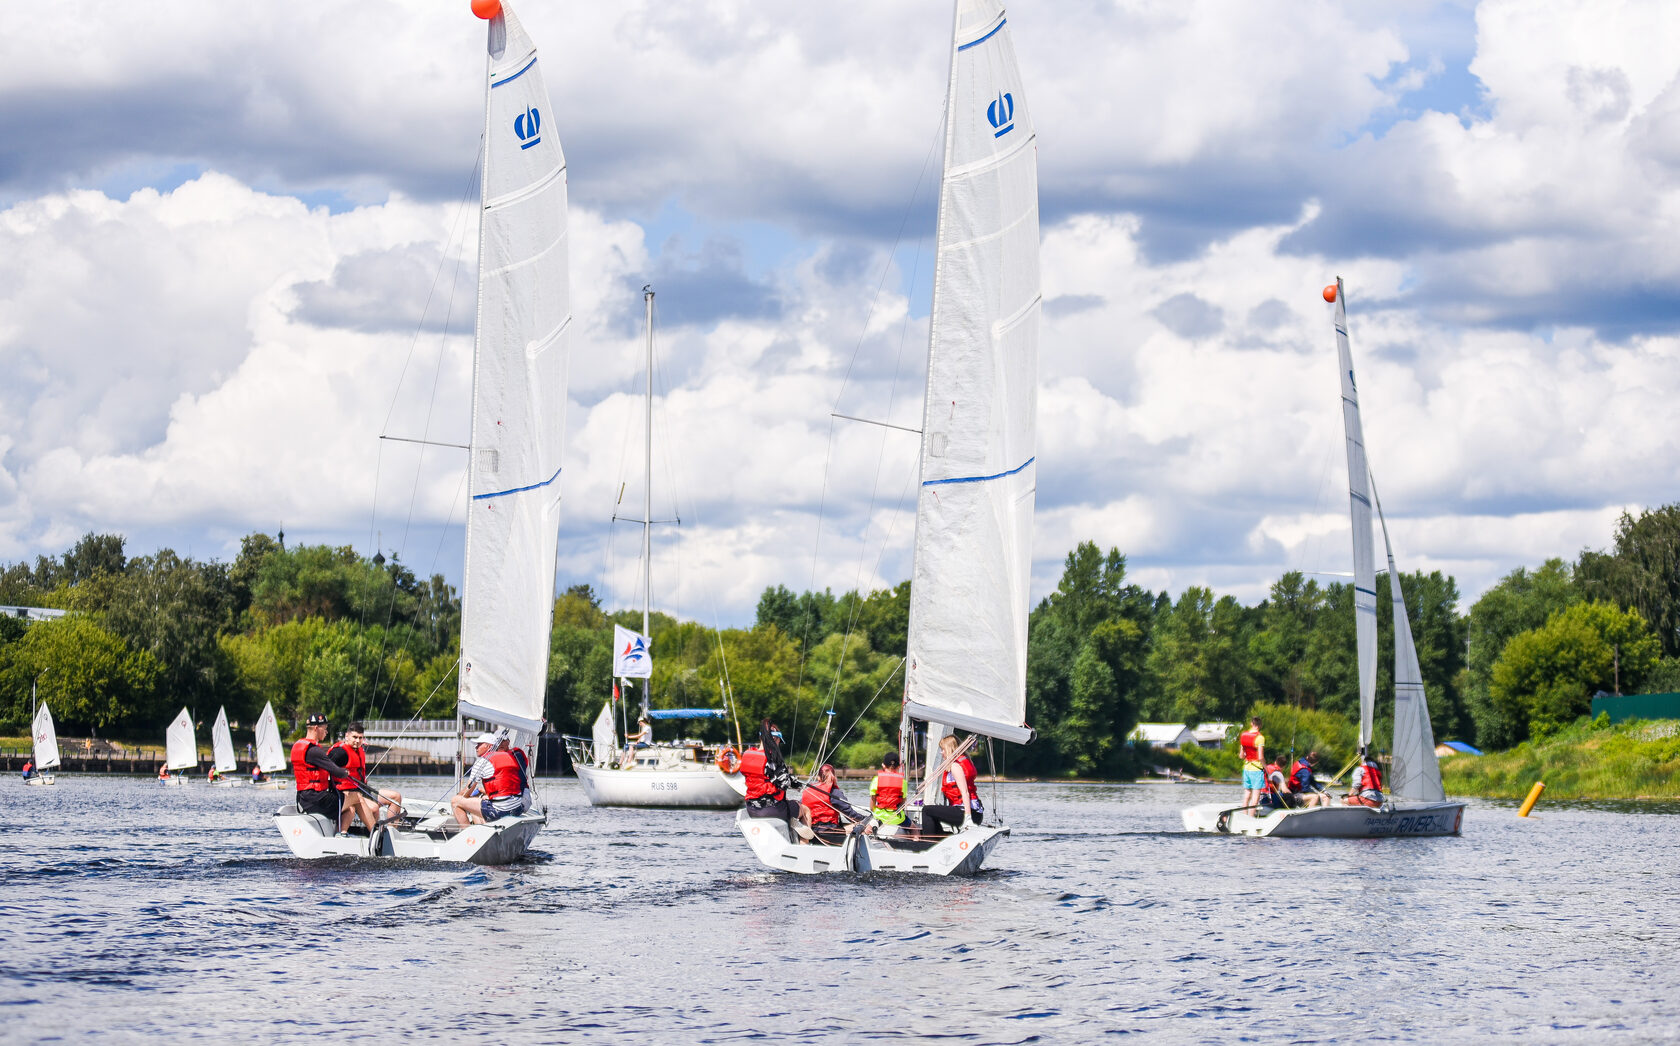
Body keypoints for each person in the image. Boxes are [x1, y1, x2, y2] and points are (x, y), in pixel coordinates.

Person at [739, 720, 814, 840]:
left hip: (752, 809)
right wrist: (795, 783)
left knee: (785, 801)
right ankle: (804, 846)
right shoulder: (774, 759)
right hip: (771, 810)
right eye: (779, 741)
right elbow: (784, 783)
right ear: (775, 740)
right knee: (805, 810)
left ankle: (790, 822)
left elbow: (766, 778)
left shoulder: (747, 756)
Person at [291, 713, 364, 828]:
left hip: (303, 798)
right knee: (357, 797)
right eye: (325, 729)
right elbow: (336, 771)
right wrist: (345, 772)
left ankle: (343, 833)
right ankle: (373, 832)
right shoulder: (314, 751)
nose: (326, 732)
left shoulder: (298, 746)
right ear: (316, 728)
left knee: (350, 806)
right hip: (316, 799)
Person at [331, 722, 404, 833]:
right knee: (374, 808)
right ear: (347, 736)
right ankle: (372, 834)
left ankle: (391, 832)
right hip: (348, 793)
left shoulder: (359, 750)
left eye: (360, 738)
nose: (357, 741)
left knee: (395, 797)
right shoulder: (339, 752)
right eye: (354, 737)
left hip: (363, 790)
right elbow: (325, 768)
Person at [450, 733, 529, 826]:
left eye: (479, 744)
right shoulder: (509, 756)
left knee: (455, 801)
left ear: (489, 746)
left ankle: (468, 835)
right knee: (478, 801)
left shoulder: (482, 762)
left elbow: (466, 793)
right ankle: (483, 829)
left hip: (499, 811)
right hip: (517, 809)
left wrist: (459, 797)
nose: (476, 747)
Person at [922, 734, 983, 834]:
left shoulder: (955, 766)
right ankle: (941, 838)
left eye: (943, 749)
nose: (941, 752)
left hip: (969, 813)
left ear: (949, 749)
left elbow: (965, 792)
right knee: (934, 812)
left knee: (926, 810)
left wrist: (967, 818)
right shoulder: (964, 760)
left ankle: (929, 842)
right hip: (971, 812)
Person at [799, 763, 868, 843]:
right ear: (834, 777)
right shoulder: (834, 793)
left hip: (812, 834)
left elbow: (800, 809)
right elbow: (850, 815)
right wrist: (865, 819)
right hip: (829, 834)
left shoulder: (807, 792)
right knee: (860, 826)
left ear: (818, 777)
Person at [868, 752, 908, 833]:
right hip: (897, 819)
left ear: (883, 765)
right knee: (915, 830)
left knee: (865, 830)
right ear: (899, 766)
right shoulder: (903, 782)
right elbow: (903, 804)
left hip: (879, 817)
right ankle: (916, 840)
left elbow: (872, 806)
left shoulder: (876, 780)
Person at [1238, 717, 1265, 809]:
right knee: (1255, 796)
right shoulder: (1260, 738)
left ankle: (1244, 814)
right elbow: (1260, 757)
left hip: (1246, 768)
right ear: (1260, 725)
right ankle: (1251, 817)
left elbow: (1241, 756)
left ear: (1251, 724)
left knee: (1247, 794)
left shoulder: (1243, 735)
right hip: (1256, 769)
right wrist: (1266, 768)